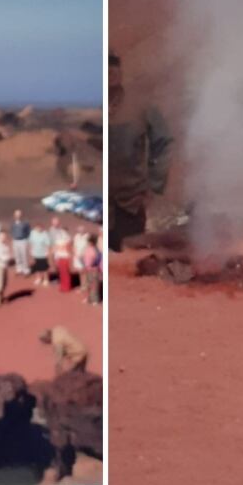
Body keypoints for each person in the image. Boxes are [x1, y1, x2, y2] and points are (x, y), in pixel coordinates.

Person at [108, 50, 173, 251]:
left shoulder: (141, 106)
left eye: (114, 64)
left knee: (128, 262)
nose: (110, 70)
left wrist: (154, 184)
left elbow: (164, 142)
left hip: (130, 204)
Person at [49, 217, 73, 293]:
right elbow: (51, 242)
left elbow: (69, 241)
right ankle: (62, 284)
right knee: (60, 270)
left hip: (63, 255)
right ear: (52, 223)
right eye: (54, 222)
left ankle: (66, 286)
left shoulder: (62, 231)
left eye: (57, 222)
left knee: (65, 271)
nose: (56, 224)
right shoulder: (51, 231)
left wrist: (64, 247)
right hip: (57, 253)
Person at [29, 221, 52, 287]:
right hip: (35, 253)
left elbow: (48, 244)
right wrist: (31, 250)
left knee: (44, 267)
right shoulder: (32, 233)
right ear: (35, 228)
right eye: (37, 228)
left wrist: (48, 252)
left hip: (43, 254)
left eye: (40, 228)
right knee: (37, 267)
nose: (39, 229)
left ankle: (46, 279)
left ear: (42, 228)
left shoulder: (45, 234)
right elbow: (31, 242)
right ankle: (38, 278)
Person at [81, 234, 101, 305]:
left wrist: (92, 265)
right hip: (88, 269)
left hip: (93, 269)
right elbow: (83, 258)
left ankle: (95, 300)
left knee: (94, 285)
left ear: (92, 242)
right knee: (88, 284)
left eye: (89, 241)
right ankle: (89, 298)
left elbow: (98, 259)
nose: (88, 243)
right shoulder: (87, 249)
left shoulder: (96, 250)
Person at [11, 209, 31, 276]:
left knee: (24, 255)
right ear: (14, 215)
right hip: (15, 241)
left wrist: (26, 238)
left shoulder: (25, 223)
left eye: (19, 214)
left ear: (21, 215)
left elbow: (28, 231)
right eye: (16, 214)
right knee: (17, 256)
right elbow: (12, 230)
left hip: (23, 240)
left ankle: (26, 270)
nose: (18, 216)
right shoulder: (13, 222)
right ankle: (19, 269)